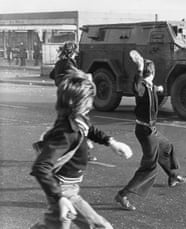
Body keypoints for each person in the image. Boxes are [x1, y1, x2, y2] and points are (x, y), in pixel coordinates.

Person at [30, 70, 133, 229]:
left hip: (69, 189)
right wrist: (60, 198)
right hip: (63, 191)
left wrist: (111, 142)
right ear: (74, 103)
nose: (91, 105)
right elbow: (41, 167)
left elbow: (90, 129)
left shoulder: (77, 119)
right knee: (101, 226)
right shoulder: (66, 133)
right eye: (87, 101)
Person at [115, 50, 186, 211]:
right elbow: (137, 87)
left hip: (151, 129)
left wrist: (159, 89)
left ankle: (173, 175)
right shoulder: (141, 87)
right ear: (153, 72)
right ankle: (123, 195)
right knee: (149, 167)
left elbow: (150, 88)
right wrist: (139, 69)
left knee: (167, 146)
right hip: (145, 131)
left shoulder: (149, 86)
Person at [50, 41, 97, 162]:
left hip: (63, 97)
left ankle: (50, 148)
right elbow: (77, 76)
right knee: (80, 125)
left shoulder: (60, 63)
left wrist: (60, 78)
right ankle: (85, 153)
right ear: (73, 52)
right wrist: (87, 77)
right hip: (73, 97)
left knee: (66, 125)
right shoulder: (69, 63)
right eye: (76, 52)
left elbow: (52, 75)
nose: (77, 55)